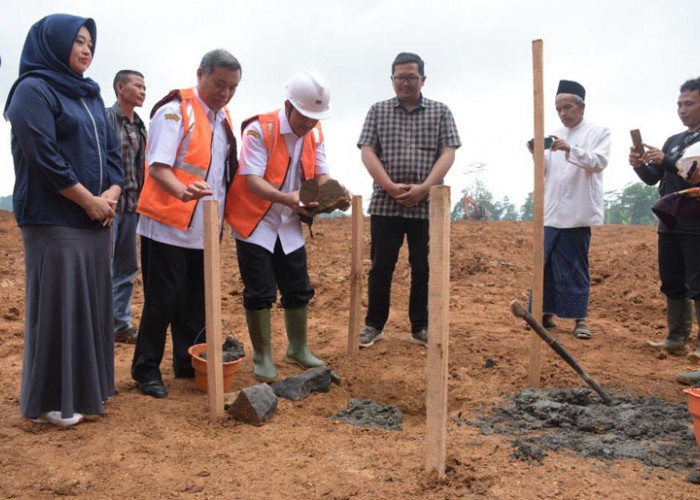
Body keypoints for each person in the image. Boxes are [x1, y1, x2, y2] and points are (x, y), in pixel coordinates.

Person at [4, 14, 123, 426]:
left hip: (96, 221)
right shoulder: (32, 90)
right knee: (59, 305)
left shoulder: (90, 95)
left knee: (90, 306)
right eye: (78, 41)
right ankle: (52, 400)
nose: (87, 49)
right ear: (53, 43)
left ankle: (87, 391)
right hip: (53, 219)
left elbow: (112, 155)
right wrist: (87, 200)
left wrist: (111, 194)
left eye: (90, 42)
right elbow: (44, 158)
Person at [131, 49, 241, 398]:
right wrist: (181, 192)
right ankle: (146, 369)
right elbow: (158, 165)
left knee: (195, 301)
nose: (224, 93)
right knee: (161, 300)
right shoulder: (175, 111)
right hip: (167, 225)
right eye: (219, 84)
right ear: (200, 74)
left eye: (232, 87)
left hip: (203, 228)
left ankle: (186, 361)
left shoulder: (222, 120)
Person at [224, 71, 337, 382]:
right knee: (259, 291)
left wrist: (331, 193)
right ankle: (262, 356)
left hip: (289, 223)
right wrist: (287, 198)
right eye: (304, 117)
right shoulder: (261, 129)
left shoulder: (315, 133)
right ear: (289, 105)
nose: (309, 124)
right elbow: (252, 180)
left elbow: (322, 173)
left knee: (298, 287)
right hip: (255, 220)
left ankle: (297, 349)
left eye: (315, 118)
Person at [356, 52, 461, 348]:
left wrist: (426, 187)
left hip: (428, 205)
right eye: (400, 77)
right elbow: (367, 151)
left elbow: (448, 151)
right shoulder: (378, 111)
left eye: (411, 77)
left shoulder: (441, 112)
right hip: (385, 203)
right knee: (381, 267)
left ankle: (421, 326)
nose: (405, 82)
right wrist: (389, 186)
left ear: (423, 79)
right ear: (392, 80)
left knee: (425, 267)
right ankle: (374, 325)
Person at [629, 77, 700, 385]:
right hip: (670, 219)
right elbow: (652, 177)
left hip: (696, 222)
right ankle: (677, 338)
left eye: (689, 104)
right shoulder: (674, 140)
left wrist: (666, 160)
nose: (682, 110)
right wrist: (638, 165)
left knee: (699, 286)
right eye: (679, 104)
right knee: (672, 280)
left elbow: (693, 177)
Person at [527, 80, 611, 340]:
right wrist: (535, 153)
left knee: (574, 266)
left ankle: (579, 320)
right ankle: (544, 314)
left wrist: (569, 149)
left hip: (577, 212)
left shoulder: (599, 131)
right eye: (559, 109)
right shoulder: (552, 133)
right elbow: (544, 172)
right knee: (546, 265)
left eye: (568, 107)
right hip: (551, 212)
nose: (563, 113)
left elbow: (599, 162)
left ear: (581, 106)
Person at [106, 70, 147, 344]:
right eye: (138, 86)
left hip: (133, 206)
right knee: (102, 265)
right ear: (121, 87)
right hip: (108, 204)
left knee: (126, 268)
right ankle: (98, 323)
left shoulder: (140, 125)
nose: (143, 91)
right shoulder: (105, 119)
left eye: (145, 87)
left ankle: (120, 325)